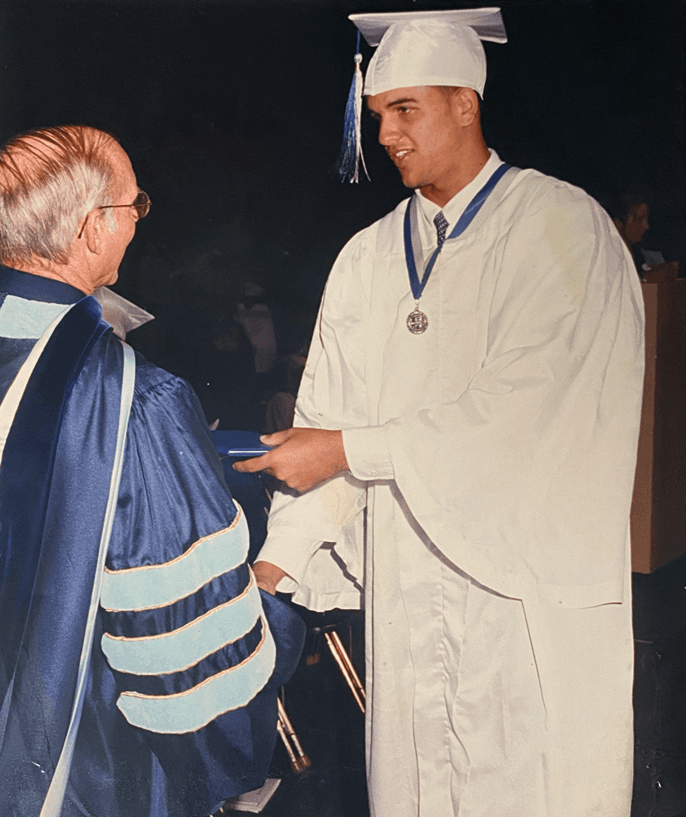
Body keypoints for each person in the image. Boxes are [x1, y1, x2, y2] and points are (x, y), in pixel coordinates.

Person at [235, 8, 645, 817]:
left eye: (406, 110)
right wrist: (279, 559)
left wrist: (349, 447)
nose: (387, 135)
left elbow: (525, 413)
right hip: (408, 576)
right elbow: (328, 412)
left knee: (531, 777)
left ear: (467, 103)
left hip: (521, 586)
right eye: (379, 115)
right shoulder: (366, 259)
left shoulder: (561, 228)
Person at [0, 125, 304, 817]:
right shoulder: (133, 400)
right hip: (79, 770)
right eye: (135, 205)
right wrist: (280, 626)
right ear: (91, 231)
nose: (138, 221)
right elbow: (189, 668)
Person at [610, 192, 679, 282]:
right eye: (639, 219)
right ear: (618, 224)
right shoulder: (609, 259)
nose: (646, 226)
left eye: (646, 219)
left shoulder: (643, 256)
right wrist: (647, 280)